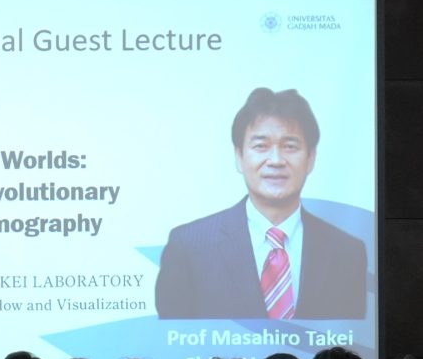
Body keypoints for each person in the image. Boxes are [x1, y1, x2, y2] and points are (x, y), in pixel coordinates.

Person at [155, 87, 370, 320]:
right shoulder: (189, 246)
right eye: (261, 146)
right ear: (239, 156)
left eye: (290, 146)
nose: (276, 161)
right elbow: (174, 341)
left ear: (311, 158)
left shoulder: (347, 252)